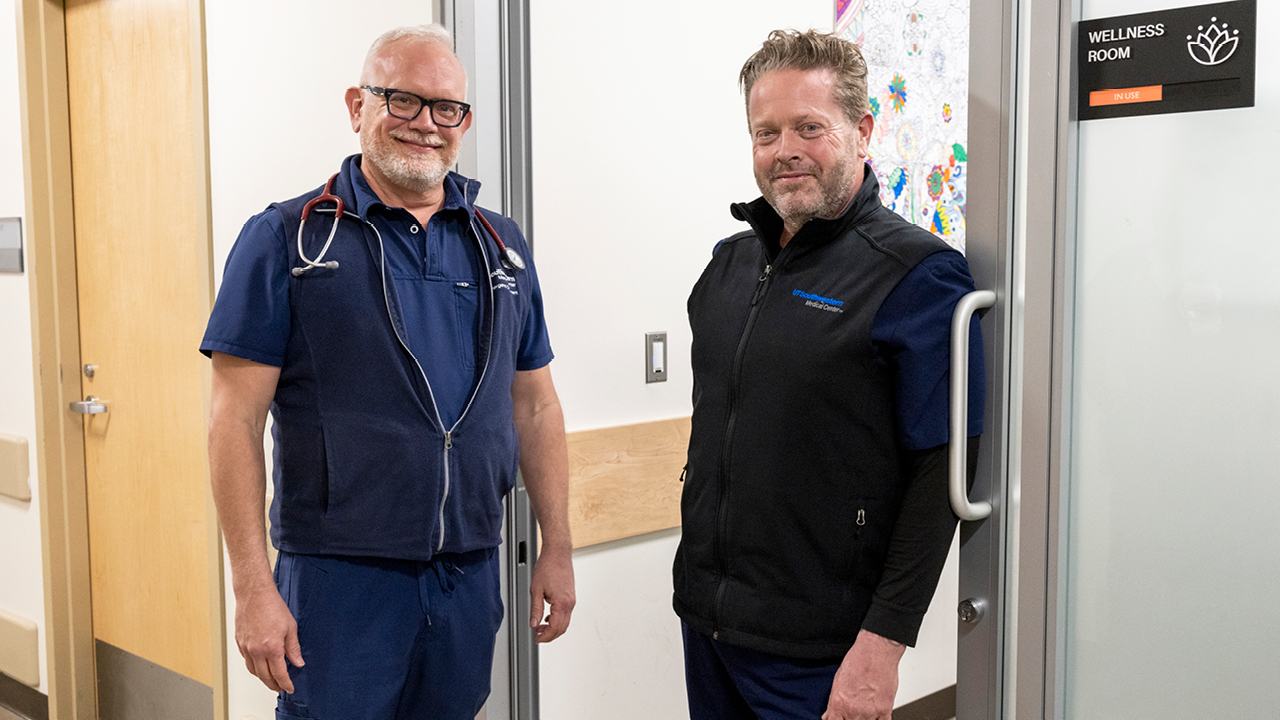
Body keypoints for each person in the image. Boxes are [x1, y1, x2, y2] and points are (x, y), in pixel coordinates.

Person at [202, 24, 574, 720]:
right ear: (357, 106)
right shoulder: (288, 238)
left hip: (467, 572)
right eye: (402, 100)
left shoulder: (501, 245)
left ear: (464, 121)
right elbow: (235, 418)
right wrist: (253, 586)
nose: (425, 125)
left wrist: (557, 546)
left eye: (446, 109)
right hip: (340, 579)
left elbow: (536, 407)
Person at [674, 29, 984, 720]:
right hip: (709, 625)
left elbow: (943, 477)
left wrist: (885, 642)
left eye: (809, 127)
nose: (785, 149)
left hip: (822, 651)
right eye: (766, 131)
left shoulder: (917, 275)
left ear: (861, 130)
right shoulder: (726, 267)